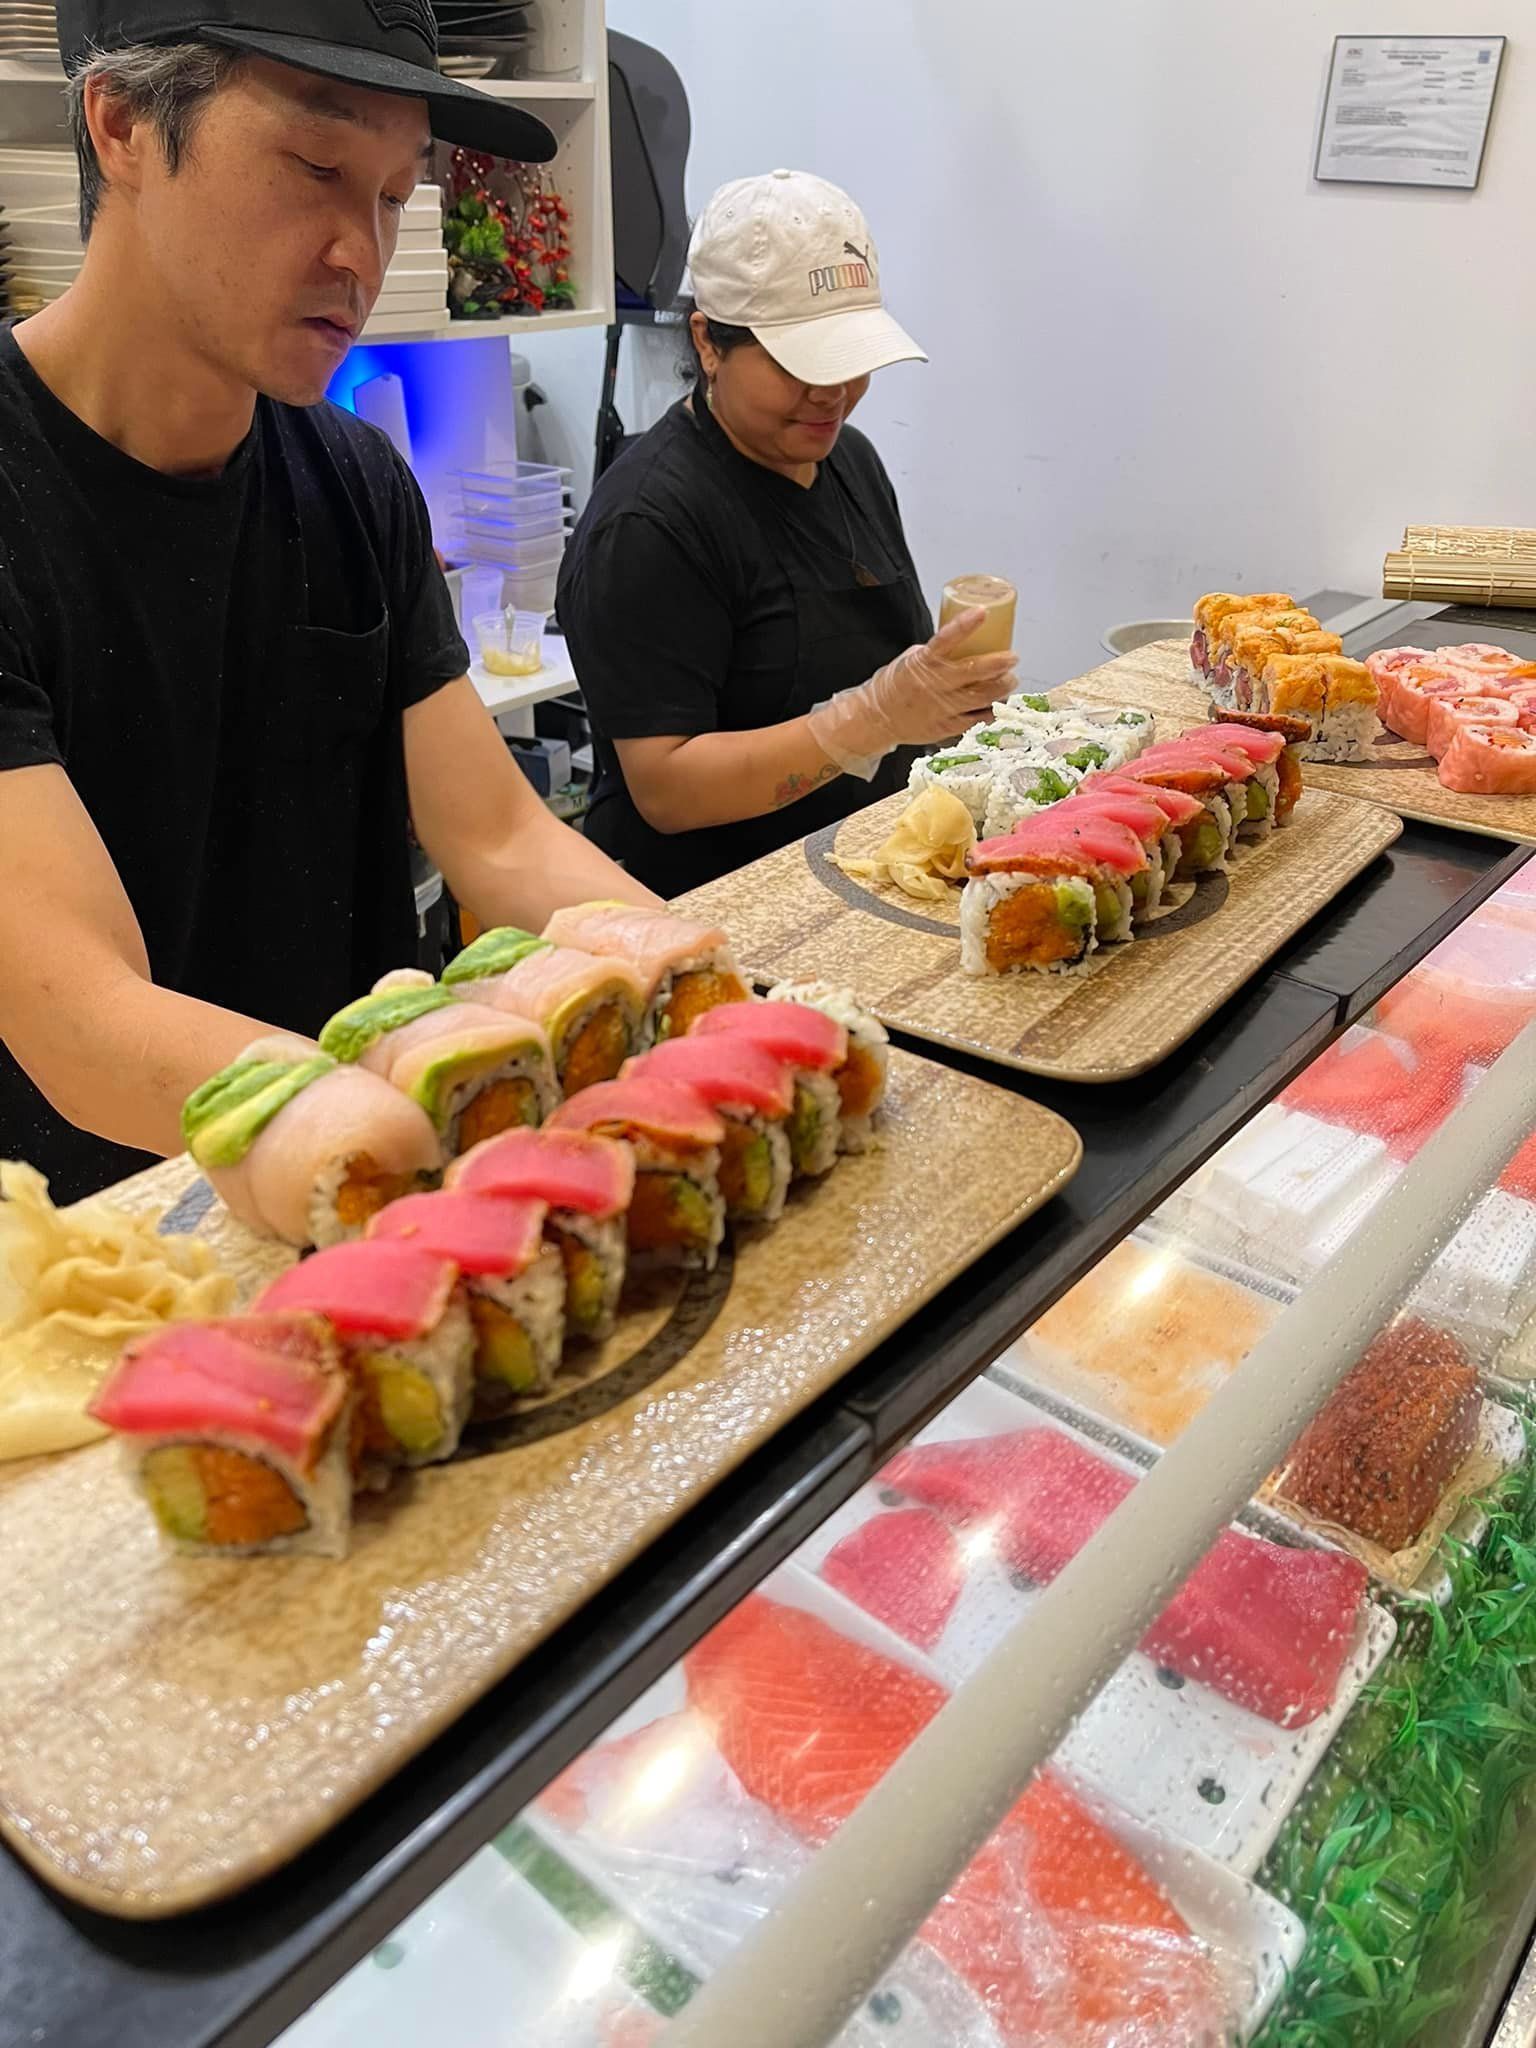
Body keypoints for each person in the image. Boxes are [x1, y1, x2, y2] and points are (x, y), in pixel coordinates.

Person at [0, 0, 659, 1203]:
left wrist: (708, 983)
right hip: (97, 1259)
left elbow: (500, 839)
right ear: (122, 125)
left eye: (397, 193)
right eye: (316, 166)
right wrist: (414, 1135)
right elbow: (83, 1016)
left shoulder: (354, 478)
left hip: (346, 1199)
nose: (364, 250)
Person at [557, 169, 1020, 899]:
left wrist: (941, 709)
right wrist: (865, 721)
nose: (832, 393)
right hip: (721, 906)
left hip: (864, 872)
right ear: (708, 343)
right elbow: (667, 791)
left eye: (850, 359)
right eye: (800, 364)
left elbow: (888, 666)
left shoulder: (846, 458)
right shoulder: (650, 524)